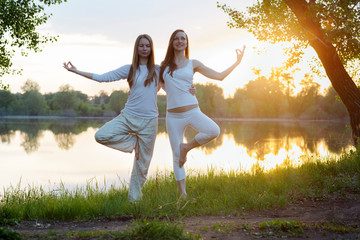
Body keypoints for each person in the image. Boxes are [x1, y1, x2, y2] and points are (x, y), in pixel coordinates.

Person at [63, 34, 160, 203]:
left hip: (150, 122)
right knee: (101, 135)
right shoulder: (129, 69)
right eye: (141, 45)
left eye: (148, 46)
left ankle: (134, 202)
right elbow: (102, 78)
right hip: (128, 116)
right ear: (136, 48)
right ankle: (133, 143)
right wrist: (76, 70)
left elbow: (173, 84)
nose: (144, 48)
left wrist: (190, 90)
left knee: (142, 167)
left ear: (151, 49)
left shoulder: (158, 70)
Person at [160, 29, 246, 198]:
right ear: (171, 42)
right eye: (176, 38)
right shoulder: (163, 66)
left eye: (182, 38)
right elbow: (161, 86)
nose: (179, 41)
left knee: (213, 130)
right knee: (176, 155)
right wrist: (178, 90)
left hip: (192, 110)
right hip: (173, 117)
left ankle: (187, 147)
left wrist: (237, 63)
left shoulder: (194, 64)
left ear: (186, 42)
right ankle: (183, 195)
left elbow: (219, 76)